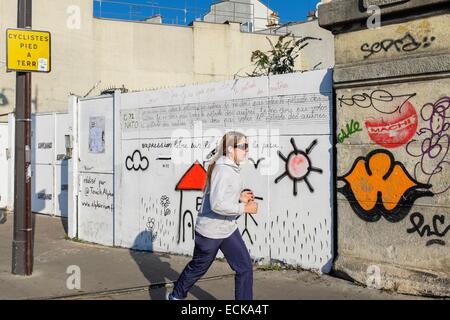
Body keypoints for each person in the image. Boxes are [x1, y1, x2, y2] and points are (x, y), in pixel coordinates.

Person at [166, 131, 258, 300]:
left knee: (244, 267)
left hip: (227, 229)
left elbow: (222, 196)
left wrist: (240, 197)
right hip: (210, 232)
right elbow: (217, 204)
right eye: (244, 146)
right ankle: (176, 296)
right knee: (198, 267)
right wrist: (243, 208)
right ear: (231, 149)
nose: (247, 150)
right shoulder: (223, 170)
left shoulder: (231, 168)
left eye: (248, 146)